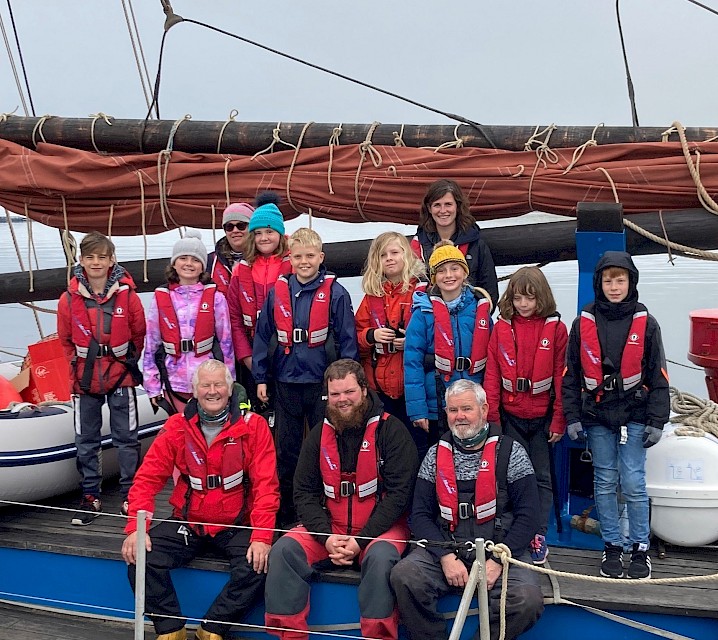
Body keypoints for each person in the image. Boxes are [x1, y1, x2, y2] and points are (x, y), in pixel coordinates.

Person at [122, 360, 279, 640]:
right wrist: (136, 527)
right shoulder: (176, 427)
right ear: (194, 391)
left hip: (236, 523)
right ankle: (171, 629)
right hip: (190, 522)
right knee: (139, 558)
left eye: (219, 384)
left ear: (230, 390)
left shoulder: (253, 427)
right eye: (205, 385)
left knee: (259, 565)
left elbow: (267, 486)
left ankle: (212, 629)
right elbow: (147, 479)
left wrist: (262, 536)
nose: (212, 391)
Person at [264, 359, 419, 640]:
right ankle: (289, 636)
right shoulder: (318, 436)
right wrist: (325, 536)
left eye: (348, 392)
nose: (342, 400)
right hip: (331, 529)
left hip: (380, 531)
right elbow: (303, 492)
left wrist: (361, 541)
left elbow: (400, 496)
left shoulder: (393, 432)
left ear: (363, 388)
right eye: (334, 394)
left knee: (381, 560)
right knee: (284, 550)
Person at [390, 379, 544, 640]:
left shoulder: (511, 453)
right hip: (447, 548)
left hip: (501, 551)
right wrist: (445, 557)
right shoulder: (434, 456)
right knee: (404, 577)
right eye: (452, 410)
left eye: (466, 409)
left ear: (483, 410)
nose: (459, 416)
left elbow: (529, 515)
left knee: (527, 600)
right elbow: (420, 515)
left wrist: (497, 561)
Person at [562, 250, 669, 580]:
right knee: (605, 482)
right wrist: (572, 417)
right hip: (597, 414)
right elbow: (571, 375)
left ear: (630, 282)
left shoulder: (647, 324)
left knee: (634, 483)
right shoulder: (582, 324)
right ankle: (611, 545)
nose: (614, 286)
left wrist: (657, 420)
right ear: (599, 283)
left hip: (635, 414)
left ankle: (639, 549)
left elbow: (658, 375)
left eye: (620, 279)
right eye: (608, 280)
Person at [252, 227, 359, 525]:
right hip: (286, 382)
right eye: (298, 256)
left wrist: (349, 385)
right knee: (286, 449)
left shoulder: (336, 293)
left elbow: (347, 340)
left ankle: (326, 507)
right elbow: (264, 338)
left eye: (310, 256)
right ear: (290, 258)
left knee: (325, 446)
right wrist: (261, 377)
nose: (304, 262)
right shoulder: (278, 293)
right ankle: (287, 510)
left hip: (321, 385)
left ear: (320, 257)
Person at [57, 231, 146, 525]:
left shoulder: (127, 295)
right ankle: (90, 494)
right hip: (85, 379)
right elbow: (66, 339)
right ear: (81, 261)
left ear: (111, 260)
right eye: (90, 257)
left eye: (102, 257)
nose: (96, 262)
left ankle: (130, 494)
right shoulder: (68, 300)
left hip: (120, 374)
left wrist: (125, 362)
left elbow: (138, 332)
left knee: (126, 438)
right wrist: (78, 366)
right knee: (86, 439)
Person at [483, 266, 568, 564]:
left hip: (543, 418)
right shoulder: (501, 328)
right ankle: (510, 530)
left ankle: (538, 533)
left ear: (540, 298)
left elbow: (561, 377)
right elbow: (492, 375)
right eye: (518, 298)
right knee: (510, 476)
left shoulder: (556, 329)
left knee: (542, 477)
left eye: (529, 299)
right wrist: (492, 418)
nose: (523, 305)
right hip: (510, 416)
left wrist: (559, 418)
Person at [404, 240, 493, 453]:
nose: (449, 275)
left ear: (464, 273)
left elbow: (493, 359)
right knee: (439, 455)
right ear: (434, 278)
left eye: (455, 268)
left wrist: (490, 402)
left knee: (473, 453)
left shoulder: (479, 310)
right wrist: (418, 410)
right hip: (436, 399)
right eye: (441, 271)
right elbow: (411, 362)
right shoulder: (422, 313)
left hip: (473, 396)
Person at [143, 229, 235, 415]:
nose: (189, 264)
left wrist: (229, 380)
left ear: (202, 266)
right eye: (183, 258)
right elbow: (151, 344)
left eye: (195, 260)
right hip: (173, 381)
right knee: (178, 434)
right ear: (174, 263)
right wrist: (152, 385)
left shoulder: (216, 299)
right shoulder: (160, 299)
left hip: (207, 382)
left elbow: (226, 344)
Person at [355, 231, 426, 452]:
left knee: (416, 446)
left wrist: (411, 342)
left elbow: (436, 335)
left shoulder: (420, 293)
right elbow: (354, 337)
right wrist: (371, 336)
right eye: (383, 255)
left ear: (407, 256)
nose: (389, 258)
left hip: (411, 390)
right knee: (384, 447)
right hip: (381, 390)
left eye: (395, 252)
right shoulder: (370, 298)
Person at [227, 192, 291, 407]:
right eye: (258, 233)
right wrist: (248, 359)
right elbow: (234, 319)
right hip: (253, 354)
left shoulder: (293, 266)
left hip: (288, 354)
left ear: (280, 234)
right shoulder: (240, 271)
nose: (264, 238)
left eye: (270, 232)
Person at [411, 179, 499, 308]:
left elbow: (490, 291)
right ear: (429, 208)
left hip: (468, 318)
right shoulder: (418, 246)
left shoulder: (476, 245)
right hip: (428, 318)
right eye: (437, 205)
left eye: (448, 204)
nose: (443, 210)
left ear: (457, 206)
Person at [206, 201, 255, 296]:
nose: (235, 230)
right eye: (229, 227)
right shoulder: (211, 261)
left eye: (241, 226)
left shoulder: (263, 258)